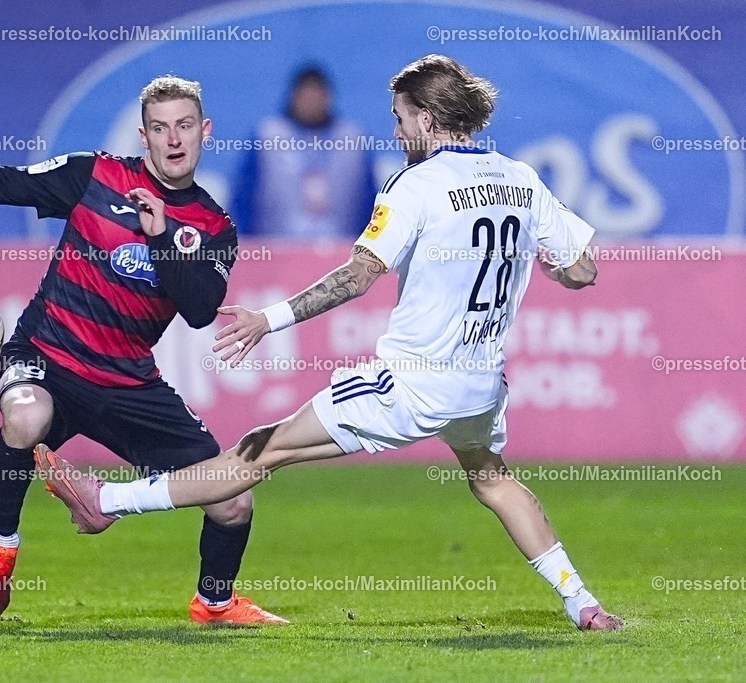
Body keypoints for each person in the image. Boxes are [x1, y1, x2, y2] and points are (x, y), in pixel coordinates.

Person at [34, 56, 624, 632]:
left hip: (412, 384)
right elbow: (583, 271)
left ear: (427, 117)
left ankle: (107, 503)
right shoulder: (521, 178)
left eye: (399, 118)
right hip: (480, 387)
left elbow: (358, 274)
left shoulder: (419, 184)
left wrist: (269, 319)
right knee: (492, 477)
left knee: (261, 451)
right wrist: (549, 266)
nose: (396, 131)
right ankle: (582, 603)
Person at [0, 76, 287, 625]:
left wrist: (160, 235)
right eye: (160, 128)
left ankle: (214, 603)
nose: (174, 139)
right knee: (25, 417)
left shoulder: (212, 227)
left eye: (185, 125)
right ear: (144, 136)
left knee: (232, 497)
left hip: (127, 383)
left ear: (204, 131)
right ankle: (3, 545)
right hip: (47, 355)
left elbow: (201, 309)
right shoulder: (95, 175)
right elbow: (2, 183)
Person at [231, 65, 376, 240]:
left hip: (342, 251)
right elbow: (244, 200)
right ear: (293, 97)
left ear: (329, 97)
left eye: (318, 95)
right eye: (306, 95)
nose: (312, 102)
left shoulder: (352, 140)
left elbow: (370, 203)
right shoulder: (268, 137)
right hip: (275, 253)